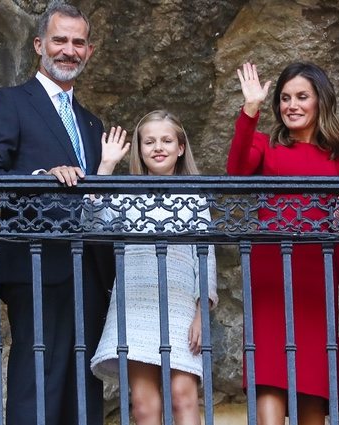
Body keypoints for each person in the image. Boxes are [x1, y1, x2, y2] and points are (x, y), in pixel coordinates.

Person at [0, 3, 112, 425]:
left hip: (89, 270)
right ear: (39, 45)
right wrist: (42, 177)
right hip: (38, 265)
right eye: (60, 40)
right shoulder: (9, 102)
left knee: (83, 390)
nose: (69, 50)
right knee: (39, 382)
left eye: (78, 42)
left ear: (89, 51)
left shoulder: (91, 123)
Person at [226, 62, 339, 425]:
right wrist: (250, 109)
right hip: (270, 279)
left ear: (320, 101)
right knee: (268, 382)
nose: (292, 105)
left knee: (313, 394)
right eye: (285, 98)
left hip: (315, 285)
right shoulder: (266, 144)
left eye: (302, 96)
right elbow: (236, 171)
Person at [89, 111, 218, 425]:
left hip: (180, 306)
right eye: (149, 141)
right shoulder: (124, 196)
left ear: (181, 148)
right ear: (139, 149)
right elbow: (91, 222)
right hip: (134, 304)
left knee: (182, 397)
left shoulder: (194, 199)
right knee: (144, 407)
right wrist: (105, 166)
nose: (158, 147)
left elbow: (206, 255)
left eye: (166, 140)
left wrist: (203, 311)